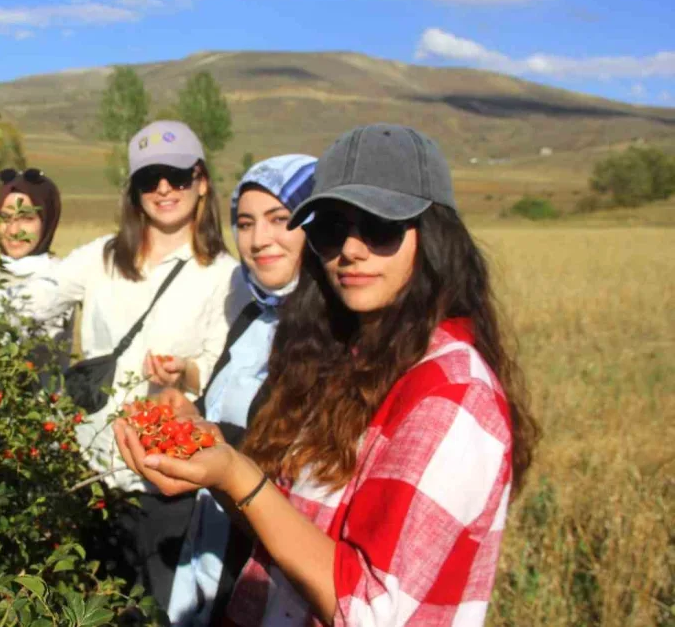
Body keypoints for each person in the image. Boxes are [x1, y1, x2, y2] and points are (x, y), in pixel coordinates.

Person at [115, 124, 540, 626]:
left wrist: (237, 474)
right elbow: (289, 537)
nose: (351, 249)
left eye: (380, 227)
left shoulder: (450, 394)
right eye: (330, 229)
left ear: (435, 236)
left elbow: (371, 612)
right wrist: (211, 457)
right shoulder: (350, 360)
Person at [26, 120, 247, 611]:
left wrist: (185, 371)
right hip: (90, 468)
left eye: (177, 176)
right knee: (86, 607)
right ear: (135, 191)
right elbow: (36, 302)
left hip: (165, 480)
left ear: (202, 181)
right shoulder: (102, 256)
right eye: (150, 179)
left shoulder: (224, 276)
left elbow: (225, 369)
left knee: (158, 611)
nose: (164, 189)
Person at [166, 154, 318, 626]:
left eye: (282, 220)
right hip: (213, 539)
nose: (258, 240)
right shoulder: (252, 317)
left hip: (270, 568)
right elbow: (223, 416)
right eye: (246, 223)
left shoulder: (331, 337)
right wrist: (183, 417)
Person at [0, 168, 72, 376]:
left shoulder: (62, 276)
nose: (13, 230)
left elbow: (29, 319)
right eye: (5, 217)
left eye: (26, 218)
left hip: (40, 406)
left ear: (48, 219)